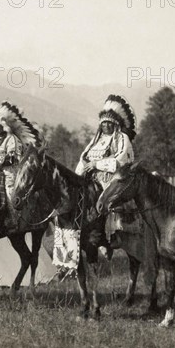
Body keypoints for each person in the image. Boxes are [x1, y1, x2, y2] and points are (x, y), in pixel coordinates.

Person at [76, 95, 136, 249]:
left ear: (116, 124)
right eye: (103, 123)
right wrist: (83, 168)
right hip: (91, 177)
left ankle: (112, 233)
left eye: (109, 123)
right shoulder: (96, 140)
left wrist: (97, 164)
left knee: (108, 198)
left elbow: (121, 159)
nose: (106, 126)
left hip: (112, 177)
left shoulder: (122, 138)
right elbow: (84, 156)